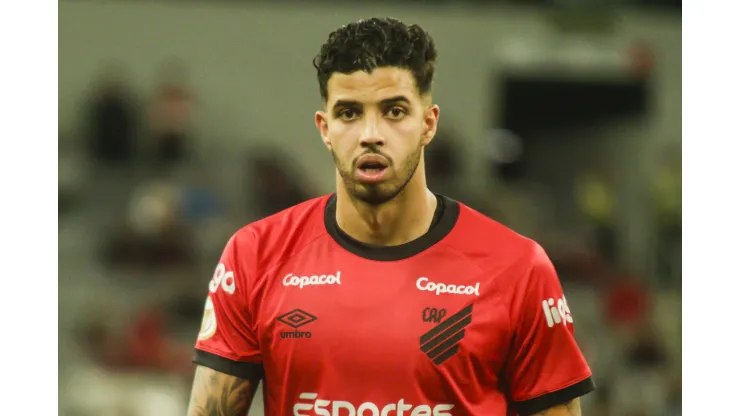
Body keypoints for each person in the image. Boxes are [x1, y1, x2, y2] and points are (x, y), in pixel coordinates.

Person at [187, 17, 594, 416]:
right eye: (349, 113)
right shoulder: (255, 255)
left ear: (428, 124)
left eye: (394, 111)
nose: (370, 134)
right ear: (325, 128)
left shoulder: (517, 269)